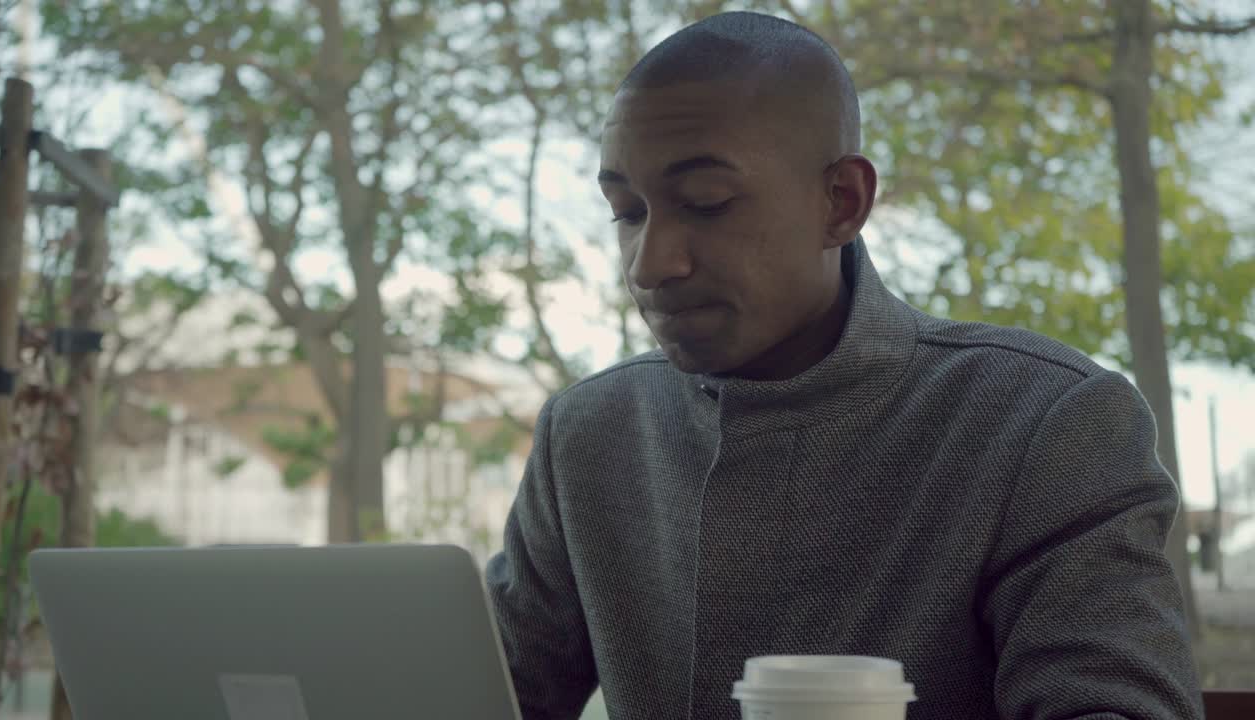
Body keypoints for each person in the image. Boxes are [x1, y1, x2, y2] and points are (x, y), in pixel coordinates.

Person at [486, 10, 1202, 720]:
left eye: (706, 203)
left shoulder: (1043, 423)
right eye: (626, 211)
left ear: (842, 202)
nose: (650, 265)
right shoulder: (587, 435)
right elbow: (483, 691)